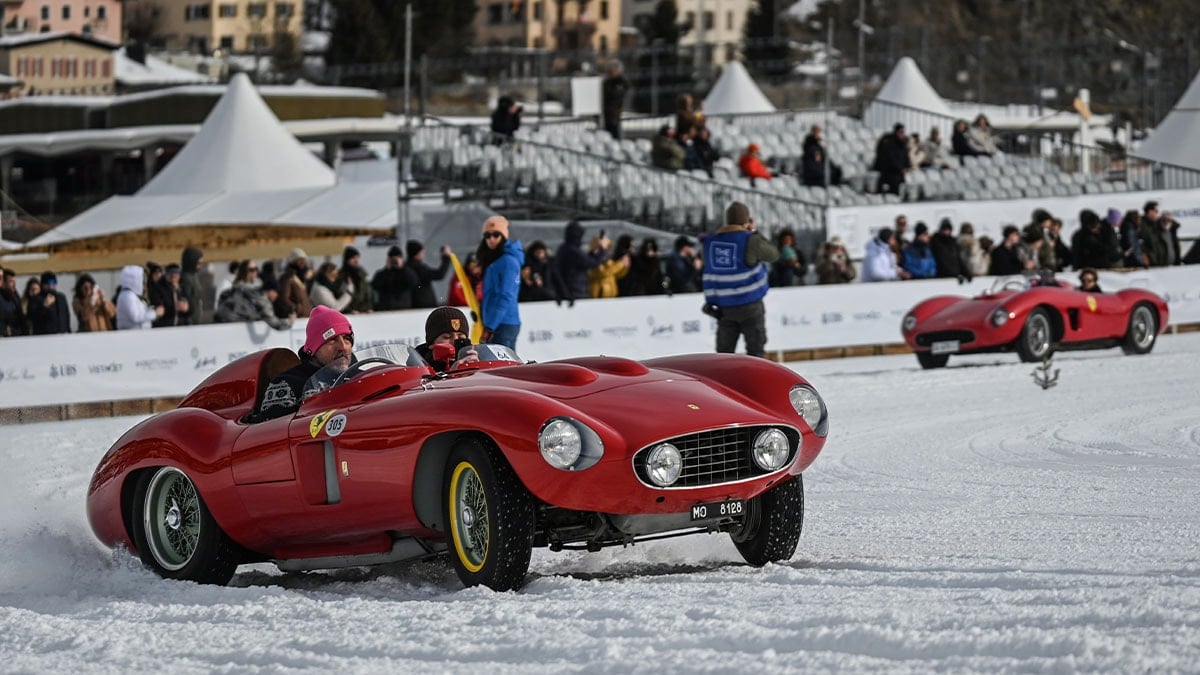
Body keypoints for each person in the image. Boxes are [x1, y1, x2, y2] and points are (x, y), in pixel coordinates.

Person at [702, 202, 779, 358]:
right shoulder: (750, 240)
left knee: (724, 355)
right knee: (756, 353)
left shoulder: (710, 242)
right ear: (746, 221)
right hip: (749, 304)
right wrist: (754, 232)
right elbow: (773, 255)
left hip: (723, 307)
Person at [254, 306, 355, 422]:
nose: (342, 347)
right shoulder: (287, 384)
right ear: (314, 348)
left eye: (347, 339)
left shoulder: (361, 377)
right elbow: (270, 433)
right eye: (332, 340)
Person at [476, 215, 522, 349]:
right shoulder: (494, 259)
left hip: (502, 323)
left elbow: (505, 295)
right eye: (487, 235)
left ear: (503, 236)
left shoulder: (508, 261)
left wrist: (490, 326)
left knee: (503, 367)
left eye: (496, 235)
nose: (491, 239)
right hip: (496, 322)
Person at [214, 260, 294, 329]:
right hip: (241, 334)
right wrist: (289, 322)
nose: (255, 272)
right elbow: (272, 321)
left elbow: (218, 314)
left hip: (227, 331)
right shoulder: (255, 293)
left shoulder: (228, 292)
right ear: (244, 272)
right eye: (252, 270)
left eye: (256, 269)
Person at [552, 220, 607, 305]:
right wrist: (602, 249)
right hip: (575, 291)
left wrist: (594, 252)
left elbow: (584, 261)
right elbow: (592, 263)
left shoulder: (564, 248)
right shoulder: (573, 250)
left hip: (570, 291)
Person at [415, 306, 481, 373]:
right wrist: (451, 374)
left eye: (461, 338)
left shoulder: (477, 357)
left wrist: (478, 367)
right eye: (447, 337)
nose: (454, 342)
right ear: (431, 343)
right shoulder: (417, 367)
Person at [115, 264, 164, 330]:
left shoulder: (134, 296)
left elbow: (141, 314)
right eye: (142, 280)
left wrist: (152, 309)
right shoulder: (127, 296)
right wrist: (155, 313)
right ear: (134, 280)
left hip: (139, 334)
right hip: (130, 335)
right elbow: (136, 317)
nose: (144, 284)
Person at [407, 239, 453, 309]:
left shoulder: (406, 267)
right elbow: (439, 274)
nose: (423, 254)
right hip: (424, 305)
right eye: (422, 252)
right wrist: (446, 257)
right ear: (417, 254)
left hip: (414, 304)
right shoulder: (419, 268)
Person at [371, 245, 418, 311]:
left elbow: (414, 282)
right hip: (386, 308)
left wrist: (402, 268)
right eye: (392, 259)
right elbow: (375, 285)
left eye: (397, 259)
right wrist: (387, 270)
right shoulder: (382, 273)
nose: (394, 262)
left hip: (404, 308)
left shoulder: (407, 272)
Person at [1139, 201, 1182, 267]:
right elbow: (1150, 243)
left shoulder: (1157, 224)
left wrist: (1169, 221)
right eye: (1156, 211)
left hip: (1166, 262)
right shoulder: (1144, 225)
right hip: (1156, 263)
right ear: (1150, 212)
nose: (1158, 214)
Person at [873, 123, 911, 195]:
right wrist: (900, 169)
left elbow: (906, 157)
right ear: (896, 133)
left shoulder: (903, 144)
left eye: (903, 132)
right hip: (889, 172)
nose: (902, 134)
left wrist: (907, 167)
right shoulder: (889, 143)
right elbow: (890, 159)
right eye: (900, 132)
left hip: (899, 173)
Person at [587, 234, 629, 298]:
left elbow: (616, 275)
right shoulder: (591, 259)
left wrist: (625, 268)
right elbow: (604, 273)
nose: (606, 250)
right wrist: (620, 264)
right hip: (598, 294)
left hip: (611, 294)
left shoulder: (608, 259)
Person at [275, 248, 314, 318]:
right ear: (293, 261)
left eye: (303, 260)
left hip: (307, 317)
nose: (302, 263)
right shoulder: (287, 278)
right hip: (297, 319)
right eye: (299, 260)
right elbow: (284, 298)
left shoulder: (302, 277)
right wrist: (296, 308)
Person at [601, 61, 629, 140]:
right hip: (607, 113)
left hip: (614, 113)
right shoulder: (607, 82)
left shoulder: (621, 82)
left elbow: (615, 94)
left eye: (613, 70)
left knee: (615, 133)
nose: (611, 73)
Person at [341, 246, 372, 313]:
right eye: (353, 258)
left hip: (362, 311)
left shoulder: (361, 274)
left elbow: (366, 294)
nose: (356, 260)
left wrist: (368, 308)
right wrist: (349, 310)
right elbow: (340, 295)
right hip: (349, 313)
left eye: (357, 257)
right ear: (347, 260)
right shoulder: (342, 275)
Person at [178, 246, 205, 324]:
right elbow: (188, 299)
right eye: (198, 263)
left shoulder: (194, 275)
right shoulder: (186, 278)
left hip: (195, 319)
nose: (200, 266)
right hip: (188, 321)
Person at [0, 268, 22, 337]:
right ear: (4, 282)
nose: (14, 284)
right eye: (11, 281)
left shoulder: (15, 297)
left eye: (14, 281)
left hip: (16, 336)